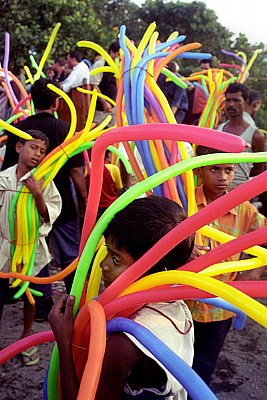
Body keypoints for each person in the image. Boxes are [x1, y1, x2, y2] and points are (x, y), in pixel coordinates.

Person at [49, 196, 195, 400]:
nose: (103, 264)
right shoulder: (175, 305)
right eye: (107, 251)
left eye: (116, 258)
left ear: (153, 268)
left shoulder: (125, 343)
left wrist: (64, 342)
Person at [186, 145, 267, 391]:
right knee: (178, 358)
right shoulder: (183, 200)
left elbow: (263, 240)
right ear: (199, 170)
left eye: (229, 170)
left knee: (204, 364)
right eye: (215, 169)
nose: (223, 177)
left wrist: (248, 278)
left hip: (220, 308)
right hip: (183, 301)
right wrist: (184, 247)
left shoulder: (245, 211)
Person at [2, 77, 87, 302]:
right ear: (56, 103)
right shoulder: (64, 129)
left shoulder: (19, 129)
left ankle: (40, 307)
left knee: (34, 253)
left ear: (33, 101)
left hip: (24, 206)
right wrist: (84, 199)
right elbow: (77, 171)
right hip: (62, 205)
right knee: (69, 255)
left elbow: (9, 167)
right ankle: (74, 302)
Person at [0, 129, 61, 366]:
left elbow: (49, 215)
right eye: (33, 147)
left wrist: (37, 194)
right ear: (18, 148)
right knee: (1, 298)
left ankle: (27, 338)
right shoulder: (4, 179)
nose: (37, 154)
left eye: (42, 151)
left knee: (31, 299)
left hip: (33, 250)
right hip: (5, 249)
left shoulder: (44, 182)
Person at [216, 82, 266, 189]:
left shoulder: (256, 135)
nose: (231, 104)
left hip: (241, 192)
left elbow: (258, 168)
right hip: (216, 193)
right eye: (228, 100)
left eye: (236, 100)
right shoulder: (218, 130)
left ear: (246, 103)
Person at [90, 41, 120, 128]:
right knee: (98, 130)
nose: (120, 57)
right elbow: (94, 85)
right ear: (111, 52)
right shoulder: (100, 65)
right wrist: (104, 103)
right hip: (100, 109)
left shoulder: (121, 66)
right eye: (118, 54)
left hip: (115, 108)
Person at [86, 149, 123, 219]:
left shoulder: (88, 167)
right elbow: (119, 188)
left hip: (94, 206)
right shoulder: (114, 168)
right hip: (111, 204)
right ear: (108, 154)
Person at [191, 59, 212, 125]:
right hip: (196, 111)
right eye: (202, 68)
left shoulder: (213, 80)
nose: (203, 71)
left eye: (206, 69)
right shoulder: (199, 77)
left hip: (206, 112)